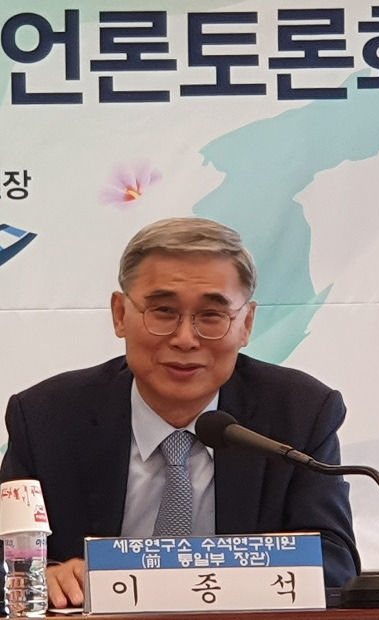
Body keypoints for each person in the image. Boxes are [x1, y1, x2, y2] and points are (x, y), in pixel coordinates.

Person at [0, 217, 360, 607]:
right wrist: (43, 575)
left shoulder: (299, 413)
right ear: (120, 314)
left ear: (246, 324)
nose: (185, 339)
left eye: (211, 316)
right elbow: (7, 556)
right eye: (163, 312)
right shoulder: (47, 417)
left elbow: (333, 564)